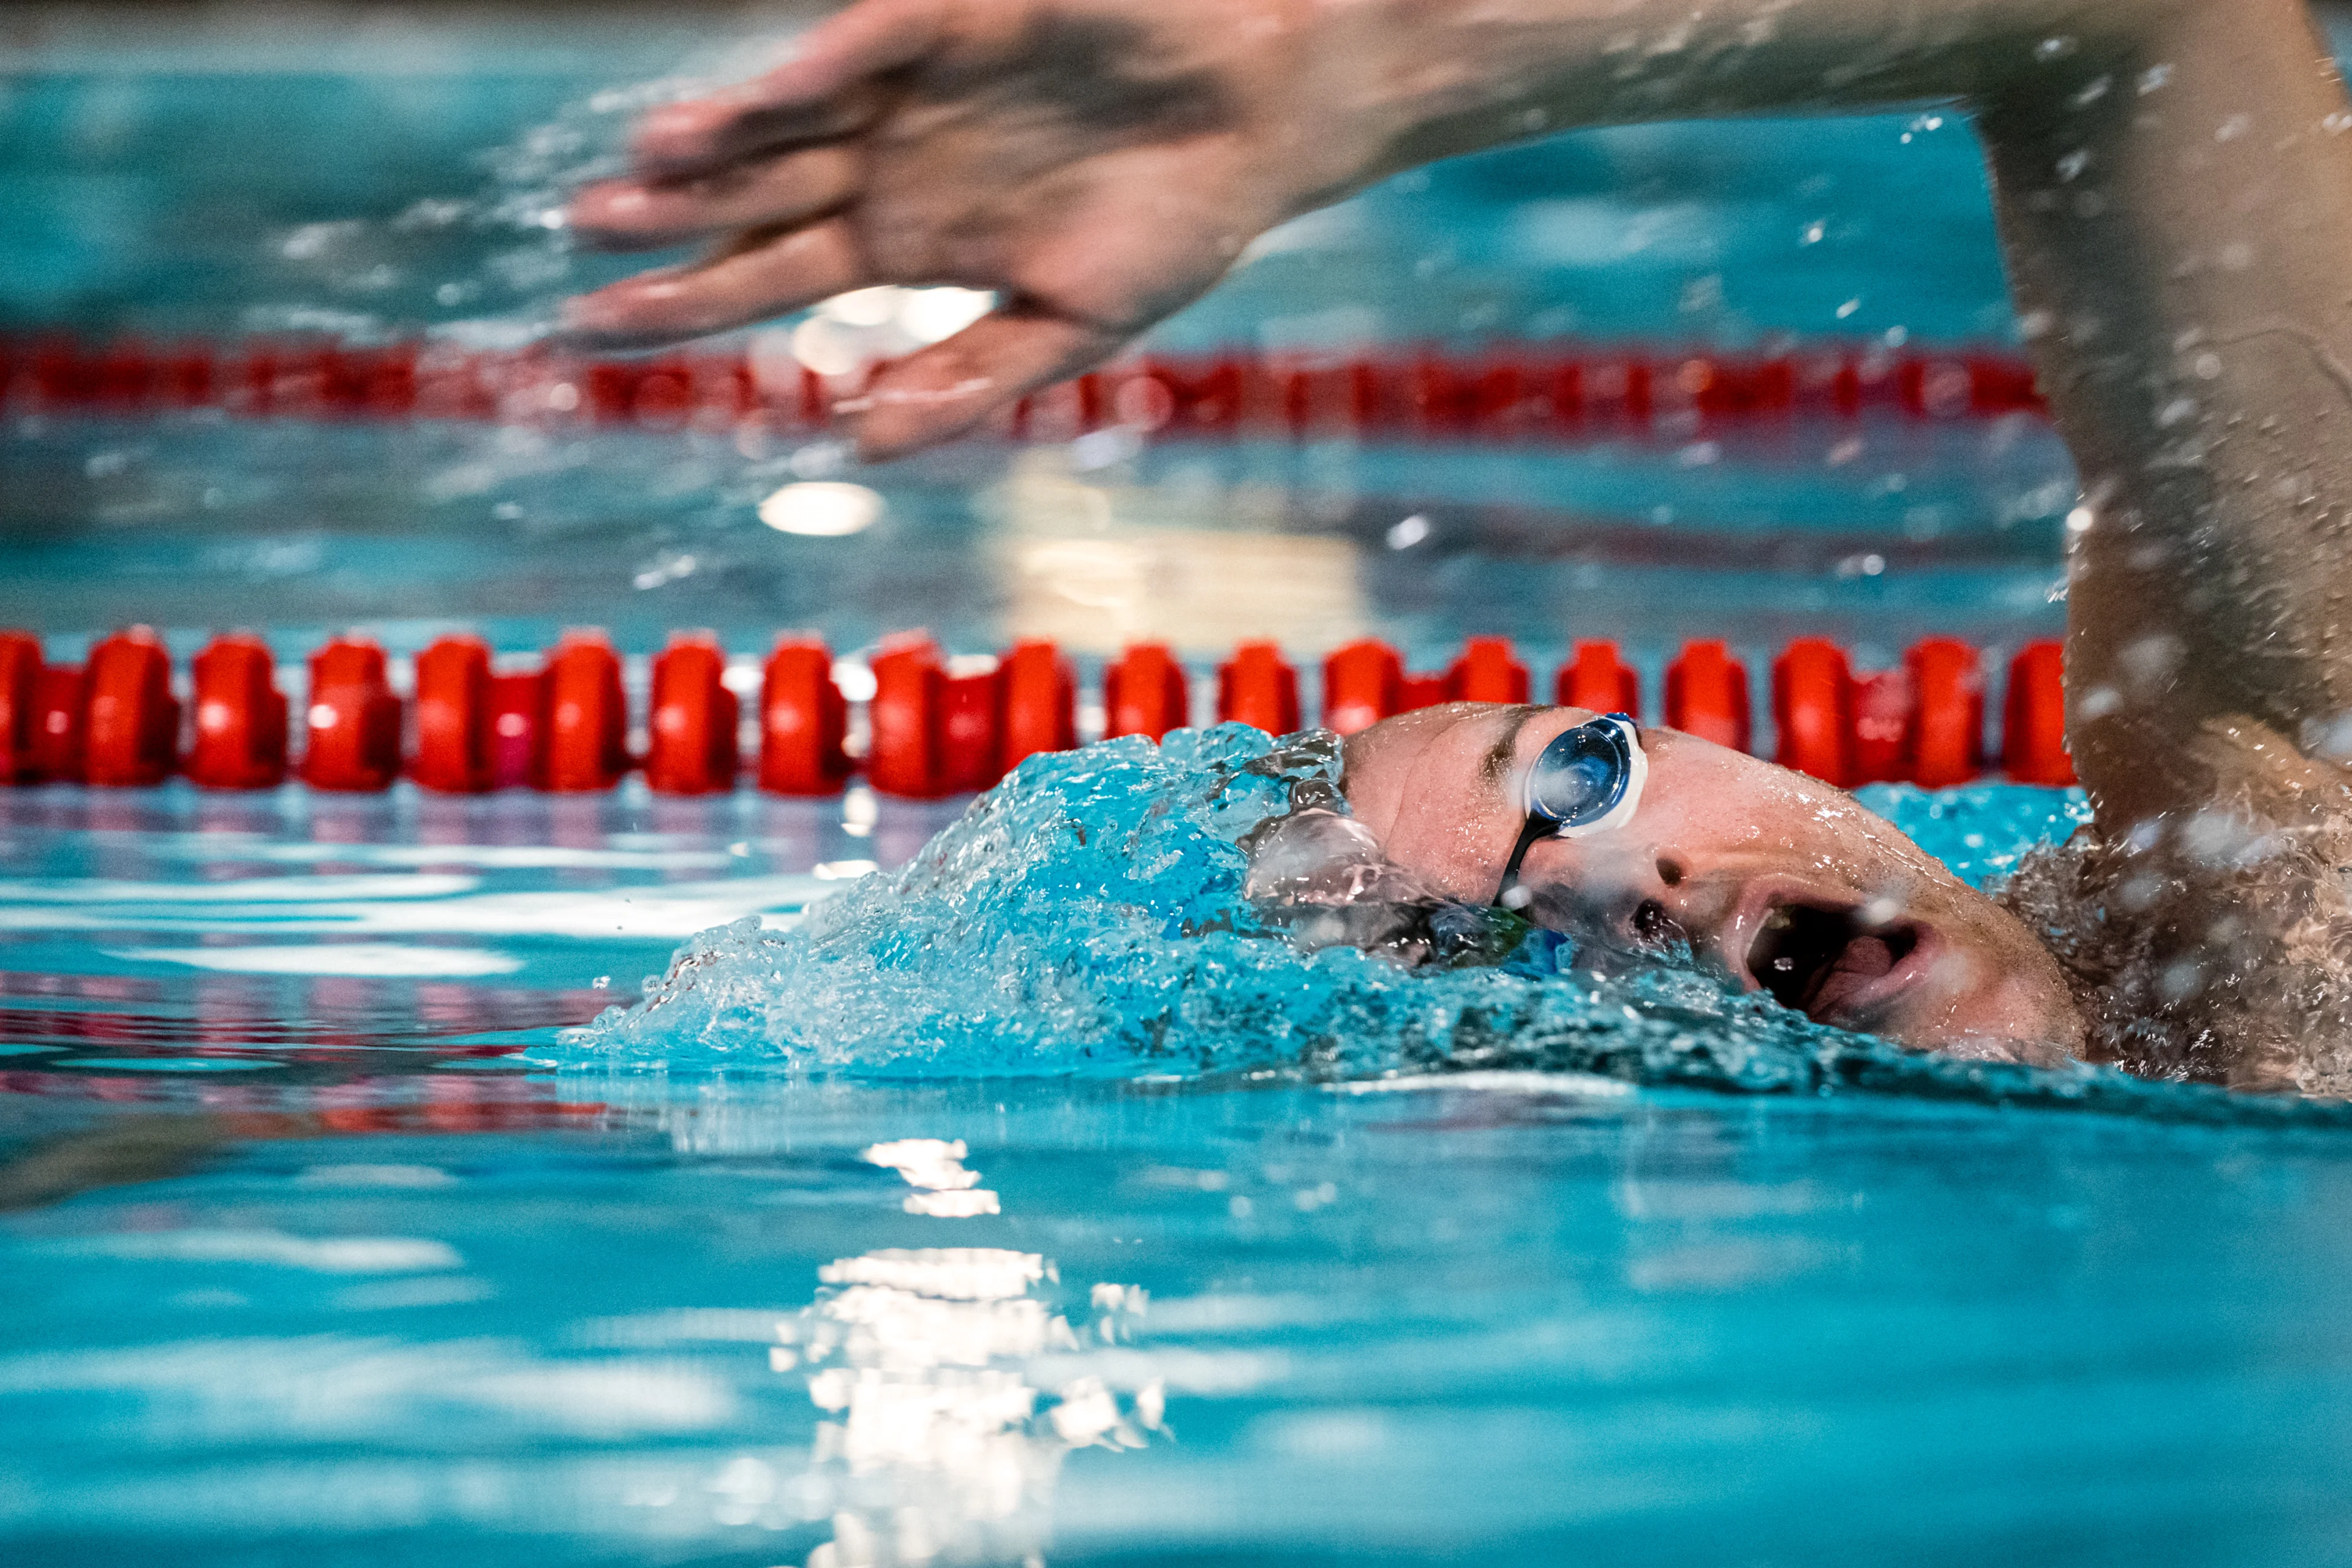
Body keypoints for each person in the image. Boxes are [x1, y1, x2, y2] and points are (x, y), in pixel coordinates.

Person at [566, 0, 2352, 1093]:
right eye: (1492, 950)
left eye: (1579, 778)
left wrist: (1366, 65)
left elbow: (2146, 31)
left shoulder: (2261, 830)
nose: (1630, 891)